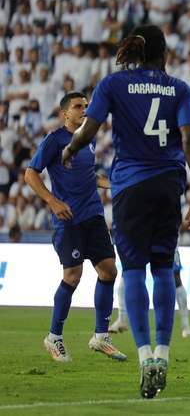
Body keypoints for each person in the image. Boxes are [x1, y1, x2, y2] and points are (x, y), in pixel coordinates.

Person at [61, 25, 190, 398]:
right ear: (165, 54)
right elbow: (189, 139)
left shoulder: (113, 84)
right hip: (167, 186)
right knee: (163, 269)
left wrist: (71, 149)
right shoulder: (180, 88)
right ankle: (163, 352)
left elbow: (89, 129)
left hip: (130, 187)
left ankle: (144, 356)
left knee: (135, 272)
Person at [24, 92, 127, 363]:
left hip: (93, 214)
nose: (84, 110)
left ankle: (101, 336)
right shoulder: (54, 140)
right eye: (78, 107)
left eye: (86, 106)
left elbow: (86, 175)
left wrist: (114, 184)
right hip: (68, 218)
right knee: (72, 276)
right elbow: (30, 174)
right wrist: (52, 201)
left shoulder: (87, 138)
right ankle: (54, 337)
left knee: (108, 270)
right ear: (64, 114)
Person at [110, 247, 190, 339]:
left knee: (175, 278)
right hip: (140, 239)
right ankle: (121, 319)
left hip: (163, 239)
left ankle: (185, 325)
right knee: (128, 271)